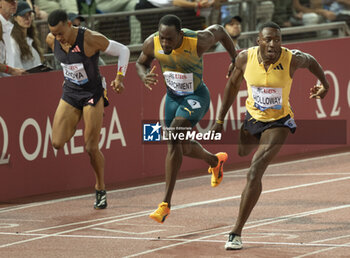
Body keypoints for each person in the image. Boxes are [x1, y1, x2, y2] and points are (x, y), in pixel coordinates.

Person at [212, 21, 329, 250]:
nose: (273, 44)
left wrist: (324, 84)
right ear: (259, 41)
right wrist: (219, 120)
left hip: (279, 122)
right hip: (253, 120)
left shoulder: (291, 58)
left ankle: (236, 232)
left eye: (277, 39)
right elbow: (232, 87)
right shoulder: (245, 58)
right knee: (243, 151)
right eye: (268, 39)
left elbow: (312, 61)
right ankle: (219, 161)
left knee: (255, 170)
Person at [136, 14, 237, 223]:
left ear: (180, 35)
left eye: (169, 39)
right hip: (173, 99)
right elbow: (140, 62)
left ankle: (165, 205)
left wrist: (234, 58)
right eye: (162, 37)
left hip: (196, 97)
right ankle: (214, 161)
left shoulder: (197, 41)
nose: (164, 43)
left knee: (174, 134)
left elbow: (220, 30)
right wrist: (143, 75)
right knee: (177, 145)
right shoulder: (152, 42)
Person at [46, 9, 130, 209]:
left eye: (60, 33)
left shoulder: (90, 39)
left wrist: (120, 77)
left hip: (92, 94)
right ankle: (75, 119)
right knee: (57, 142)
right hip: (70, 93)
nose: (58, 38)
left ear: (69, 24)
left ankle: (100, 188)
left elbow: (123, 51)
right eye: (54, 34)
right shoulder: (52, 39)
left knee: (91, 148)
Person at [11, 1, 44, 70]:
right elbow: (16, 69)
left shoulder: (30, 38)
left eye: (29, 14)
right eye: (23, 15)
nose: (27, 18)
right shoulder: (13, 42)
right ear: (15, 18)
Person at [0, 0, 26, 77]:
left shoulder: (7, 25)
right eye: (10, 1)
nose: (14, 3)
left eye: (15, 1)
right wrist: (12, 71)